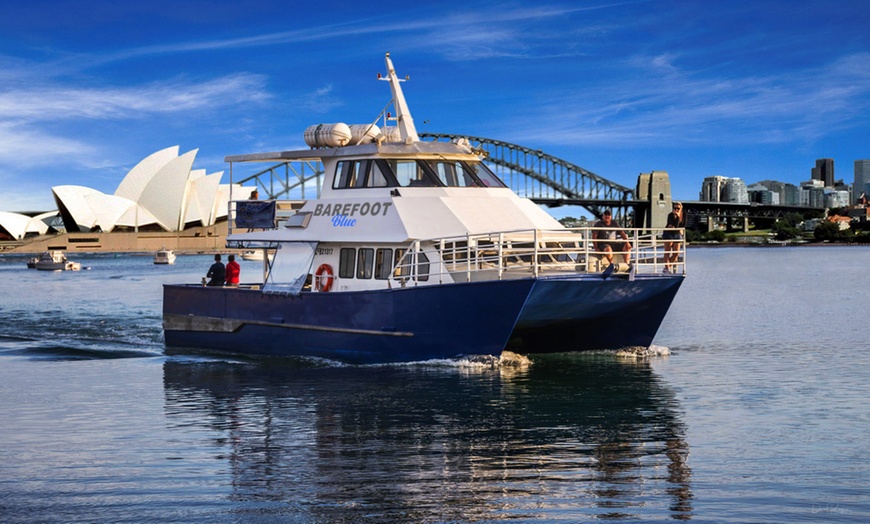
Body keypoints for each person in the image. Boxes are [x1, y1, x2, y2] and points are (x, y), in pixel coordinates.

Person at [663, 201, 686, 273]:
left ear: (681, 208)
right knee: (667, 252)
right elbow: (675, 225)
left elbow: (683, 225)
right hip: (669, 233)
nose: (676, 209)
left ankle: (667, 267)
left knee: (676, 253)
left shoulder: (684, 215)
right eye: (675, 208)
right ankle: (667, 269)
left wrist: (678, 217)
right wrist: (677, 217)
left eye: (678, 208)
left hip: (677, 234)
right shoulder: (670, 215)